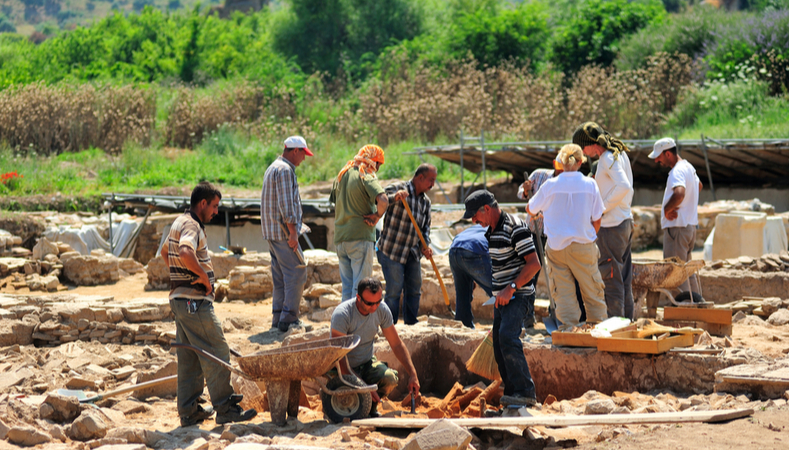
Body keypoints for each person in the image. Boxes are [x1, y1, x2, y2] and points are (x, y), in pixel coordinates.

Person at [161, 182, 257, 427]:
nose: (216, 211)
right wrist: (202, 277)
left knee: (191, 357)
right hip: (194, 301)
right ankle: (225, 407)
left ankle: (189, 410)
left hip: (180, 301)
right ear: (202, 204)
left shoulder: (178, 222)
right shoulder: (192, 225)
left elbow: (165, 252)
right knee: (216, 349)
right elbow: (184, 251)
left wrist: (180, 276)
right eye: (214, 206)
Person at [464, 190, 540, 407]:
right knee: (498, 344)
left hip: (519, 296)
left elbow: (534, 264)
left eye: (475, 216)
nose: (474, 221)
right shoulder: (492, 231)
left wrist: (511, 288)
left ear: (486, 209)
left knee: (508, 337)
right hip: (502, 298)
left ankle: (526, 391)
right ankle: (514, 393)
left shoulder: (515, 227)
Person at [527, 144, 608, 330]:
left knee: (563, 295)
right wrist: (587, 237)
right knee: (593, 292)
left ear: (560, 163)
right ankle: (599, 332)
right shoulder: (590, 184)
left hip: (556, 248)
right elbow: (597, 219)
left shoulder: (550, 185)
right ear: (581, 162)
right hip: (583, 246)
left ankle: (569, 333)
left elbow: (530, 208)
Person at [330, 277, 421, 417]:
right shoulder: (343, 315)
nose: (374, 307)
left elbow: (396, 344)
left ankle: (369, 409)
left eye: (378, 302)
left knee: (390, 378)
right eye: (369, 303)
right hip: (341, 369)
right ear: (358, 298)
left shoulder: (381, 310)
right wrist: (364, 387)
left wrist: (413, 374)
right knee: (346, 402)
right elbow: (339, 358)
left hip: (365, 364)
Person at [572, 122, 635, 319]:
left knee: (611, 280)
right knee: (624, 279)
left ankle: (616, 328)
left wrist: (601, 209)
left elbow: (623, 186)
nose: (582, 153)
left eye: (582, 148)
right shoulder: (618, 153)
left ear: (590, 144)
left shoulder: (608, 158)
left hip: (612, 226)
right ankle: (627, 323)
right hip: (624, 221)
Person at [260, 136, 313, 332]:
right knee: (297, 271)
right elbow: (286, 205)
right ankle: (289, 318)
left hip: (272, 232)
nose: (304, 159)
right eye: (303, 154)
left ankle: (278, 318)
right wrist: (293, 232)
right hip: (283, 232)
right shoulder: (284, 170)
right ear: (295, 150)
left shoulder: (273, 167)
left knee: (281, 276)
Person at [377, 164, 437, 325]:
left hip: (412, 252)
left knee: (414, 288)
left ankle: (411, 323)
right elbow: (378, 201)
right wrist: (395, 197)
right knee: (394, 290)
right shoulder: (398, 188)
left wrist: (426, 245)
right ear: (420, 178)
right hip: (392, 250)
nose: (432, 185)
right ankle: (390, 326)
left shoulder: (426, 202)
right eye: (430, 180)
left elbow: (426, 228)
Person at [330, 145, 388, 301]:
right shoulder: (365, 175)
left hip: (341, 239)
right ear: (372, 161)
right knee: (360, 288)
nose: (378, 168)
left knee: (347, 288)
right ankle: (357, 325)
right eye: (378, 164)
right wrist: (377, 215)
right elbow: (383, 200)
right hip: (360, 238)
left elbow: (335, 202)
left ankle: (345, 323)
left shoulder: (342, 175)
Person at [649, 137, 703, 296]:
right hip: (689, 227)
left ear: (667, 154)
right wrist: (686, 205)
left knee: (676, 273)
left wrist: (667, 209)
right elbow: (698, 186)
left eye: (659, 156)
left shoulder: (677, 171)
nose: (657, 161)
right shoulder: (688, 167)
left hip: (677, 228)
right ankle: (698, 305)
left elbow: (679, 193)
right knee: (687, 271)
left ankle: (684, 309)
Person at [448, 225, 493, 329]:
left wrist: (472, 276)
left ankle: (464, 326)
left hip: (454, 249)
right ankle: (513, 330)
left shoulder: (480, 226)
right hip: (475, 249)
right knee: (501, 293)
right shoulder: (505, 230)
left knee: (462, 293)